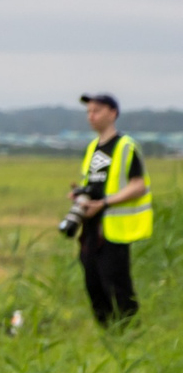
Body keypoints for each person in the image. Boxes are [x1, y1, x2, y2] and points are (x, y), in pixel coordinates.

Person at [72, 93, 154, 326]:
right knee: (92, 282)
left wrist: (105, 203)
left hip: (114, 228)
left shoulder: (126, 146)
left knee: (116, 284)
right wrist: (80, 195)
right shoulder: (92, 149)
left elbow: (138, 185)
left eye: (96, 110)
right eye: (88, 112)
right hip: (90, 228)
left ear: (113, 113)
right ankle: (108, 334)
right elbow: (93, 184)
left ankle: (130, 333)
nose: (91, 116)